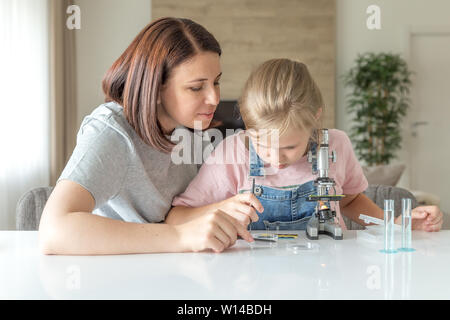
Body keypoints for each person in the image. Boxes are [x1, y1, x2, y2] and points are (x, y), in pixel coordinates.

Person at [38, 17, 254, 255]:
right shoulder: (112, 131)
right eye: (196, 87)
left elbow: (173, 215)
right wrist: (180, 236)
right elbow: (53, 231)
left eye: (216, 82)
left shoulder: (188, 128)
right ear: (156, 88)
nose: (214, 98)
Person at [167, 58, 444, 233]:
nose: (276, 160)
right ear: (248, 130)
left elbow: (348, 200)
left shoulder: (336, 144)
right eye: (263, 145)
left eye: (289, 147)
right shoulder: (232, 152)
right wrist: (222, 209)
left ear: (315, 119)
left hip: (325, 272)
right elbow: (176, 218)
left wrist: (395, 224)